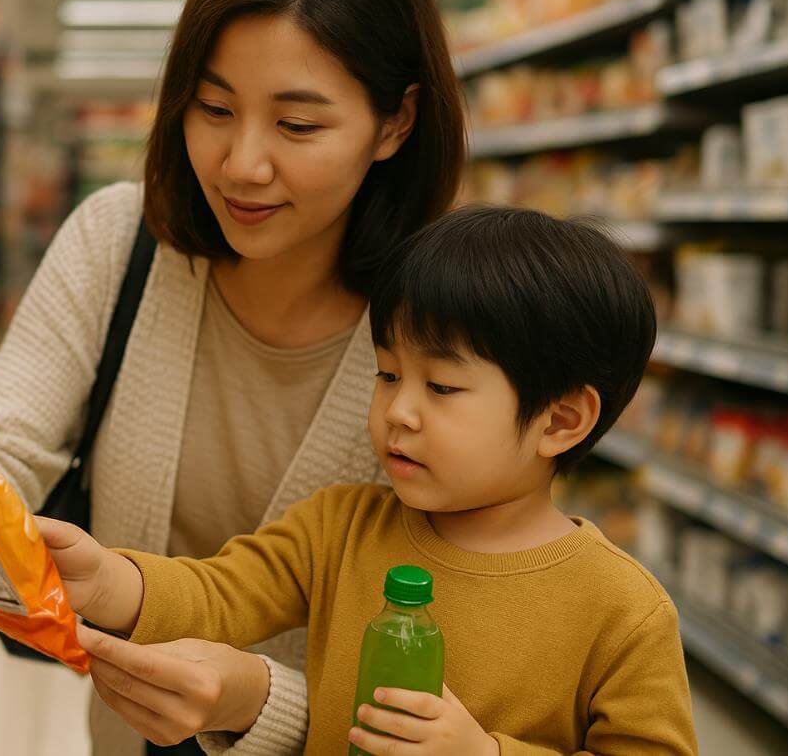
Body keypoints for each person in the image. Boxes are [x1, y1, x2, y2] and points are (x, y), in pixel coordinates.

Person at [0, 0, 465, 753]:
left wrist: (258, 702)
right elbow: (3, 436)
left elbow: (469, 658)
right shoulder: (118, 239)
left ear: (395, 123)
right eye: (213, 107)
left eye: (297, 125)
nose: (241, 164)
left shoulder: (460, 319)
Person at [38, 206, 699, 756]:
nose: (397, 411)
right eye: (387, 374)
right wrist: (105, 580)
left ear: (560, 420)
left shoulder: (622, 611)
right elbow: (219, 592)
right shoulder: (339, 528)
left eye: (441, 386)